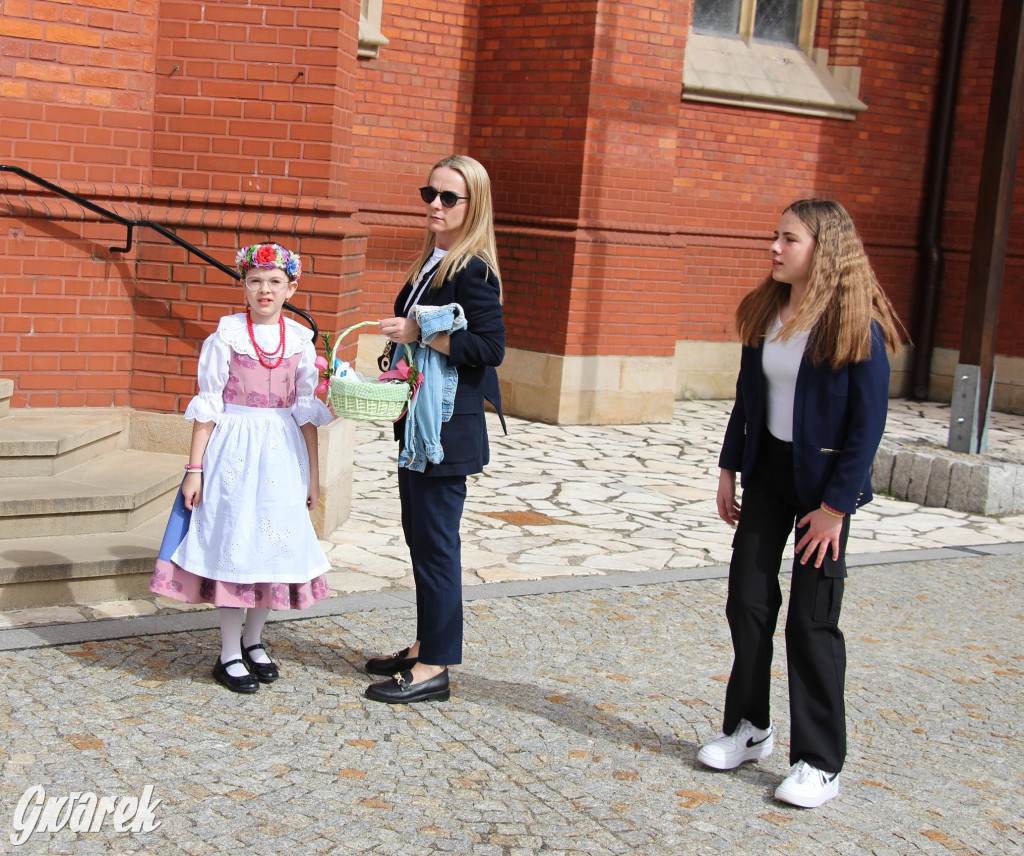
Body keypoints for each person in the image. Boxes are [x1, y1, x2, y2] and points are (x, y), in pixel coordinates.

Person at [697, 199, 904, 808]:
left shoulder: (853, 324)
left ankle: (819, 762)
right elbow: (747, 399)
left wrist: (837, 508)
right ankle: (748, 728)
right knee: (748, 601)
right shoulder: (767, 312)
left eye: (789, 239)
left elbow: (869, 425)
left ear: (824, 248)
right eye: (776, 237)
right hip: (768, 475)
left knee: (812, 623)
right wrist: (728, 469)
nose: (775, 248)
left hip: (824, 490)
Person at [150, 243, 334, 693]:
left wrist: (312, 475)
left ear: (291, 287)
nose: (264, 290)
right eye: (255, 281)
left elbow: (306, 414)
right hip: (233, 450)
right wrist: (194, 469)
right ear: (243, 287)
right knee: (235, 543)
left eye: (274, 282)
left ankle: (254, 641)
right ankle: (228, 650)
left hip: (281, 454)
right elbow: (208, 408)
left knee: (270, 546)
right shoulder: (226, 337)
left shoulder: (300, 341)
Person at [363, 155, 506, 704]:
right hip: (422, 422)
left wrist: (419, 331)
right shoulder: (436, 259)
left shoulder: (474, 269)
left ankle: (436, 667)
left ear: (473, 206)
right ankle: (427, 644)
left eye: (449, 198)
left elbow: (490, 348)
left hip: (447, 429)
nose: (435, 205)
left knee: (437, 545)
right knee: (421, 540)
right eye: (431, 193)